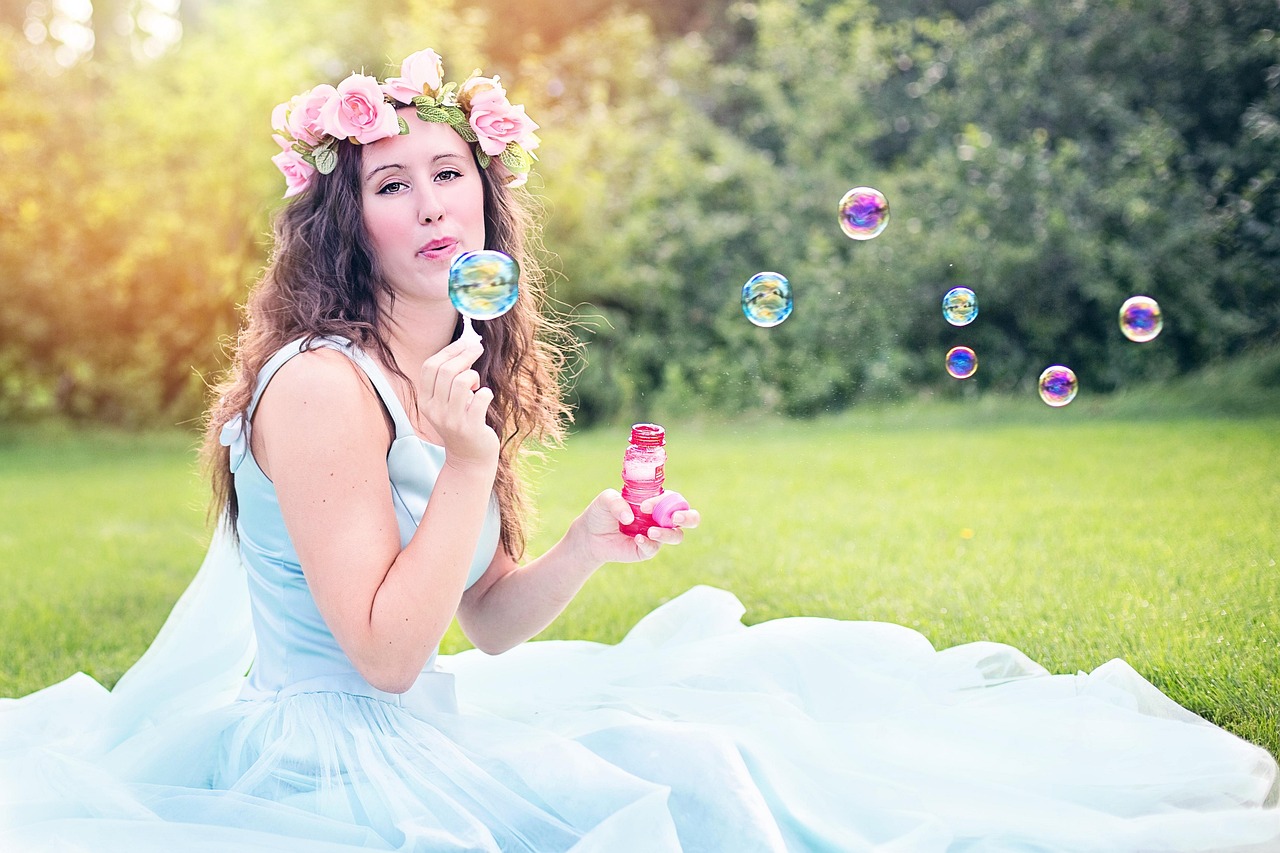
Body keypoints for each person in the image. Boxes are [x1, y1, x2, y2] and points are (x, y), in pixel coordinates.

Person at [2, 48, 1279, 852]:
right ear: (346, 224)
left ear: (486, 196)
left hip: (412, 718)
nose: (431, 201)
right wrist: (458, 462)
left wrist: (581, 543)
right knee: (688, 788)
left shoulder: (447, 363)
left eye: (449, 172)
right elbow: (388, 659)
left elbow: (486, 623)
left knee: (737, 753)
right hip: (325, 755)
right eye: (390, 185)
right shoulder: (325, 388)